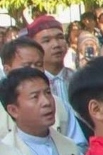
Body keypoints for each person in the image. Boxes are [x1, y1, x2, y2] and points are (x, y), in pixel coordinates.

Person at [2, 67, 81, 155]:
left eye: (48, 92)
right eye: (35, 97)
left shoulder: (69, 146)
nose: (46, 102)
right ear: (13, 110)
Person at [1, 38, 84, 145]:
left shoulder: (57, 104)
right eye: (27, 65)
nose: (34, 70)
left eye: (39, 64)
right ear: (7, 70)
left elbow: (79, 145)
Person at [26, 16, 87, 147]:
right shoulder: (29, 88)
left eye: (60, 38)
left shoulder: (81, 79)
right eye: (46, 40)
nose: (56, 45)